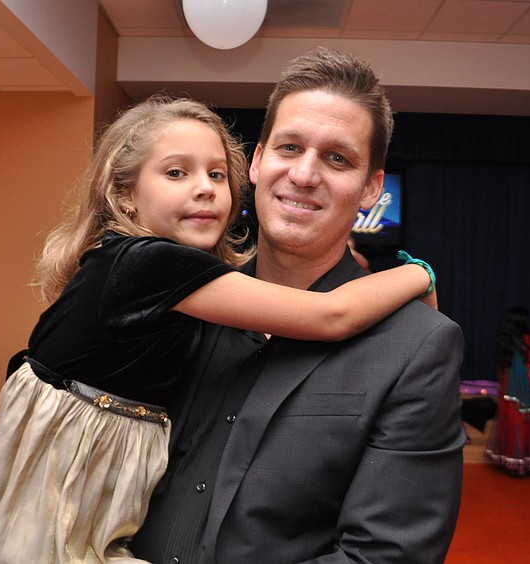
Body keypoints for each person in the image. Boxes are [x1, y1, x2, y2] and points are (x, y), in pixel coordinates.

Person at [0, 96, 437, 563]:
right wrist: (420, 274)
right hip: (60, 500)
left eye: (216, 175)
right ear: (125, 194)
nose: (205, 189)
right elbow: (330, 315)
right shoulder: (149, 264)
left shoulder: (178, 288)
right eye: (176, 173)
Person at [130, 48, 466, 563]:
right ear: (258, 162)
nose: (305, 175)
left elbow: (385, 557)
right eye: (290, 148)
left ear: (372, 188)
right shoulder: (180, 304)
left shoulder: (417, 346)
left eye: (338, 158)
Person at [485, 307, 530, 476]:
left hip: (509, 386)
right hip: (527, 384)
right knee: (528, 421)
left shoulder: (506, 341)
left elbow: (500, 367)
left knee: (511, 421)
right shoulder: (529, 340)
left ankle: (512, 460)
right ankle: (527, 460)